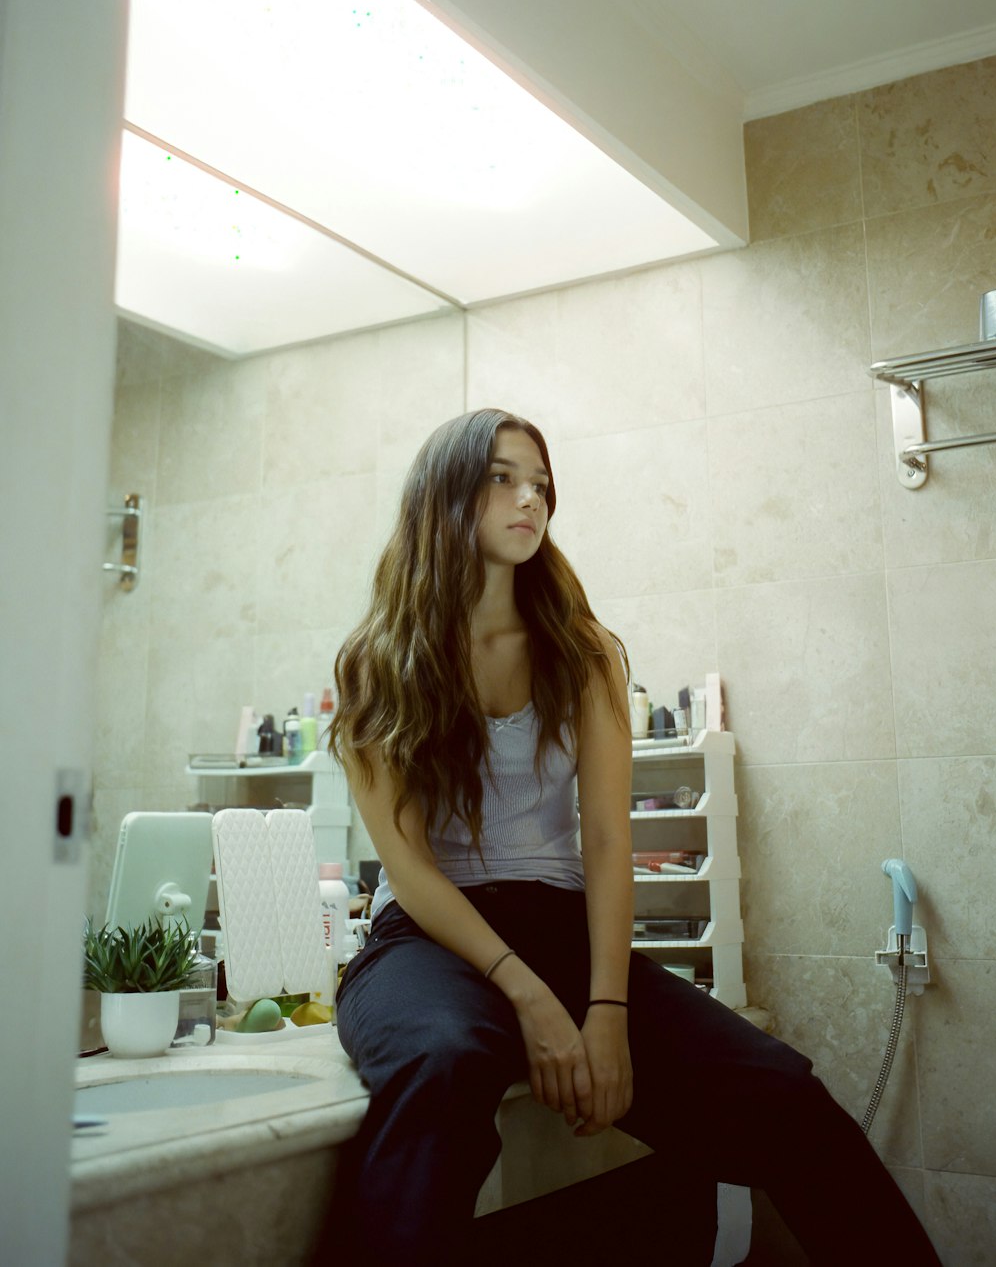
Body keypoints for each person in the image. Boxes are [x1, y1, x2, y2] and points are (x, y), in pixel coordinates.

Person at [323, 408, 941, 1266]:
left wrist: (605, 1011)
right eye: (503, 477)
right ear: (443, 493)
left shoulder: (582, 653)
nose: (529, 499)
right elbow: (409, 868)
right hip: (428, 939)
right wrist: (532, 999)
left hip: (560, 928)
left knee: (785, 1094)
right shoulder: (374, 662)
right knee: (445, 1058)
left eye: (541, 484)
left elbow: (608, 841)